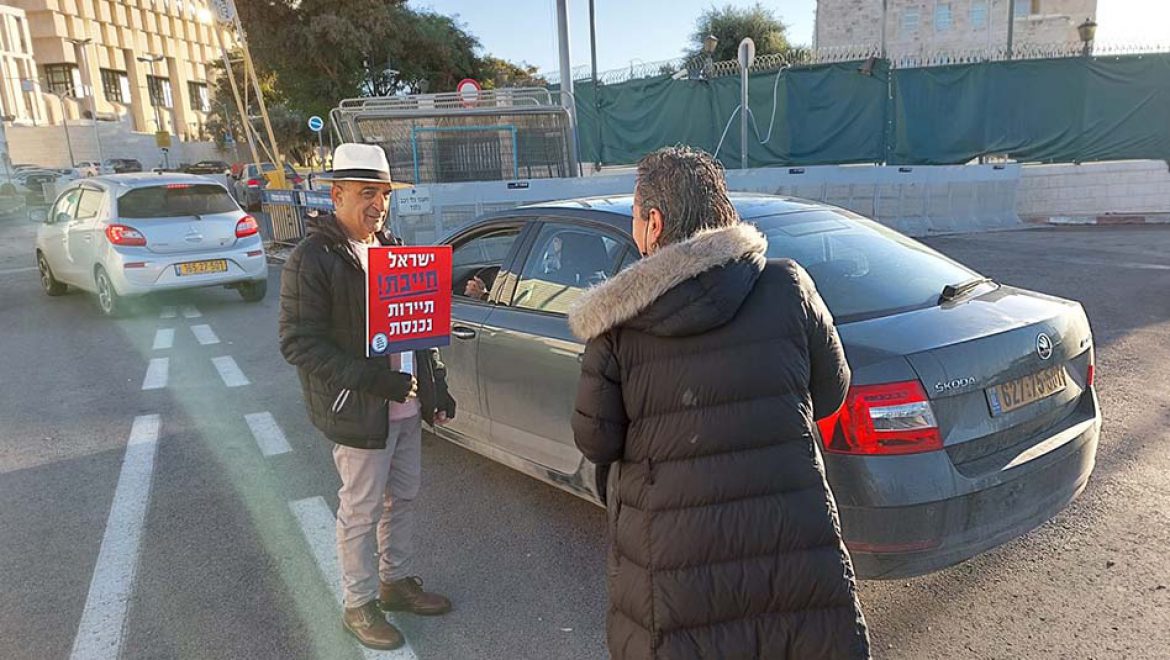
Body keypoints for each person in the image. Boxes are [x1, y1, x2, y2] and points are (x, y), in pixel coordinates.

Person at [569, 146, 871, 660]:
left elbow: (596, 440)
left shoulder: (617, 325)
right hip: (791, 544)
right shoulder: (788, 286)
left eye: (636, 219)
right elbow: (831, 392)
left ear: (655, 223)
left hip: (675, 564)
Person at [279, 143, 457, 651]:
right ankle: (358, 605)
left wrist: (436, 387)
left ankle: (394, 583)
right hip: (359, 409)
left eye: (382, 194)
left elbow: (419, 330)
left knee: (402, 498)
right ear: (336, 196)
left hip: (406, 405)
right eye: (365, 194)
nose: (377, 204)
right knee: (361, 510)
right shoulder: (312, 259)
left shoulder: (393, 247)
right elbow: (298, 342)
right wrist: (374, 382)